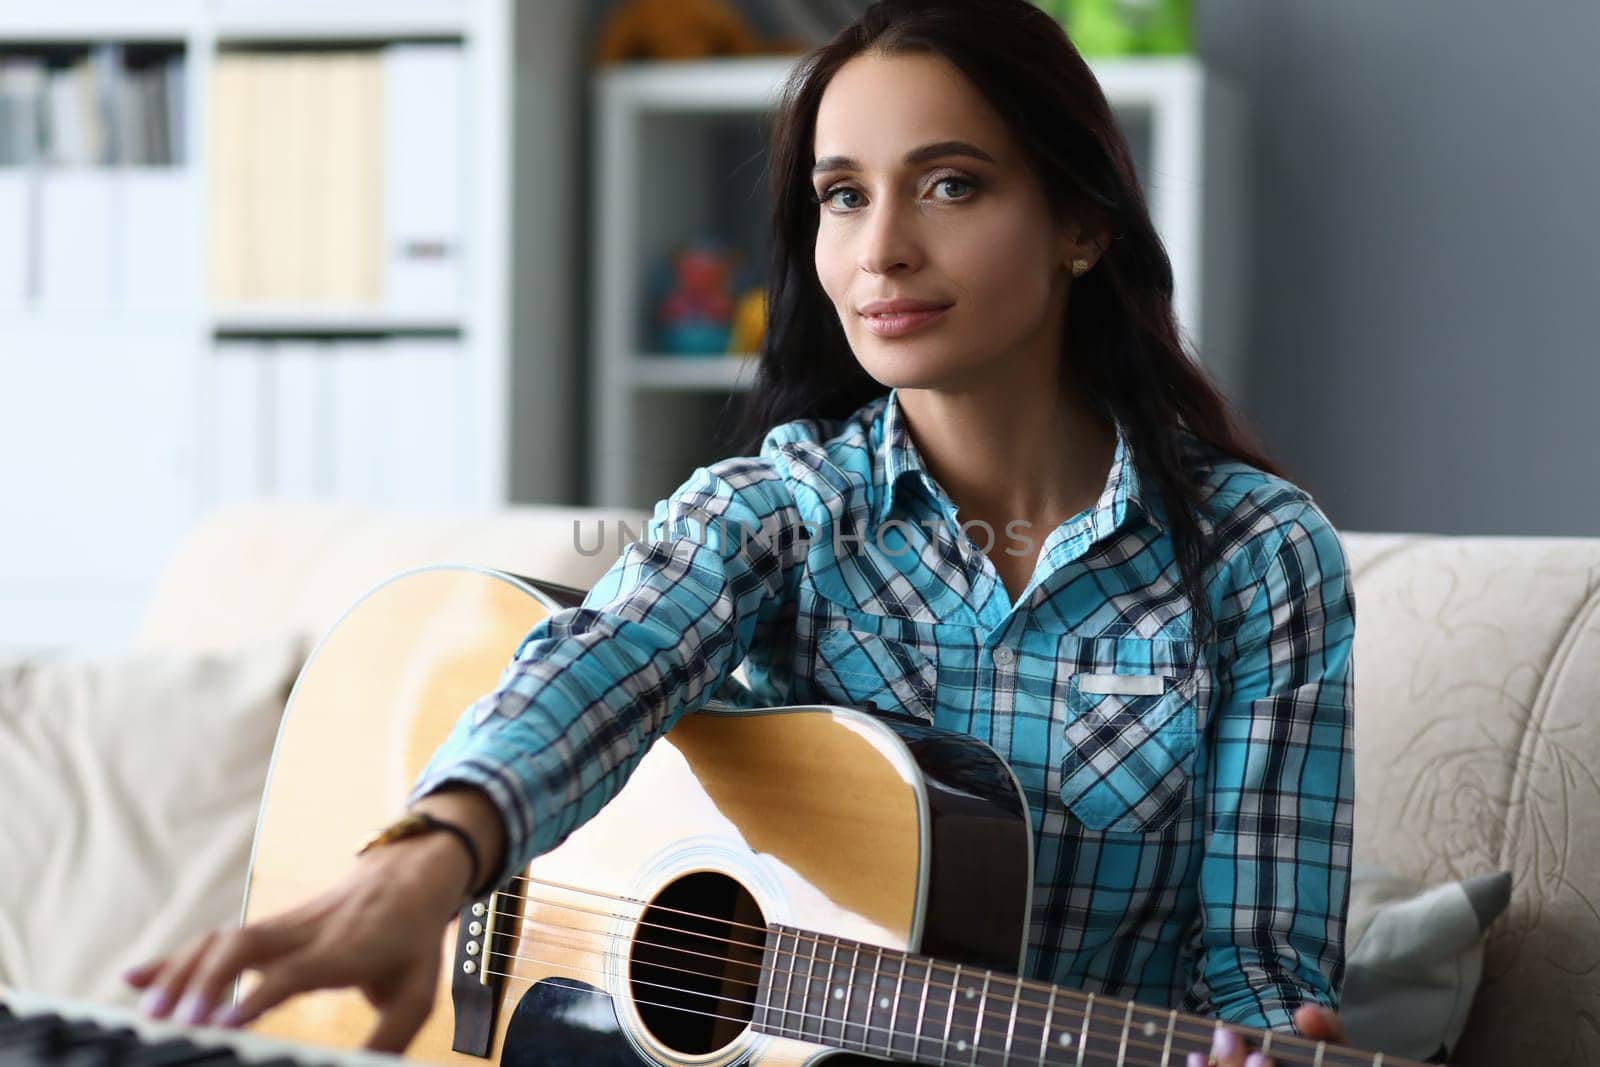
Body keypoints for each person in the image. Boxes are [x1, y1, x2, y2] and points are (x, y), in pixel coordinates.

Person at [127, 3, 1355, 1065]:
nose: (880, 250)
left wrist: (1259, 1037)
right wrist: (431, 858)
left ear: (1082, 224)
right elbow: (602, 662)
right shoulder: (780, 505)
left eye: (949, 183)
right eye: (841, 196)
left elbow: (1256, 972)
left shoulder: (1256, 559)